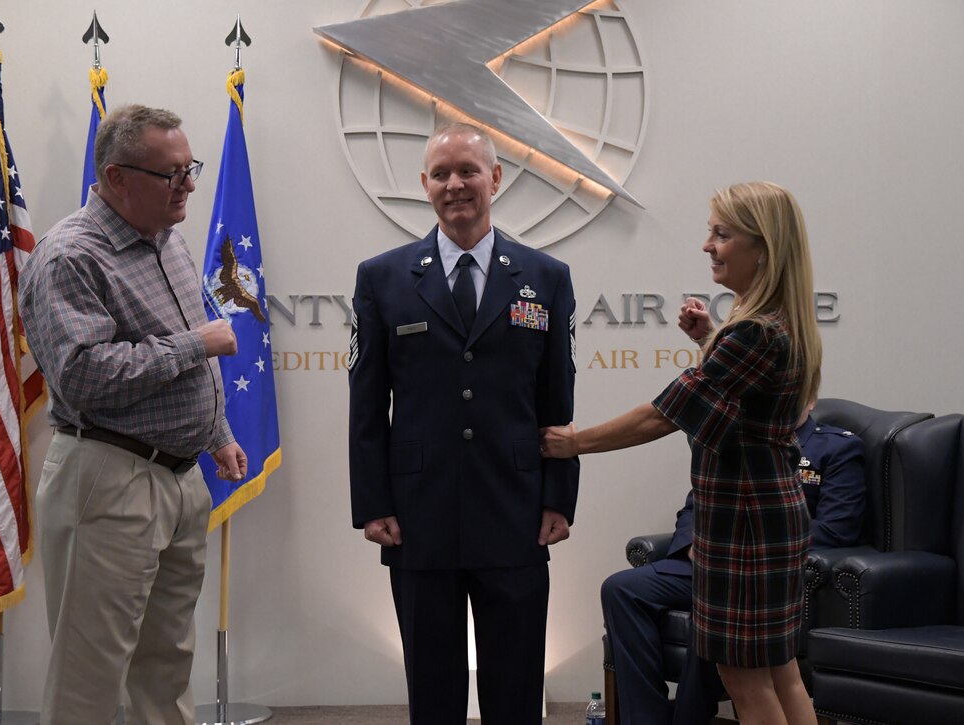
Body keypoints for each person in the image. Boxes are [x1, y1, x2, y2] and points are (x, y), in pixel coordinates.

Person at [542, 181, 822, 724]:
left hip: (742, 528)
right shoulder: (779, 328)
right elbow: (748, 404)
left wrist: (572, 444)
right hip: (772, 521)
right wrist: (710, 338)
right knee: (781, 671)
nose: (707, 245)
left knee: (745, 681)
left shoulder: (754, 336)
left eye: (721, 234)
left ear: (762, 246)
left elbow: (661, 416)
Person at [19, 104, 248, 725]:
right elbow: (82, 376)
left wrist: (217, 432)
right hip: (109, 479)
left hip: (179, 478)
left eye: (190, 168)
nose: (190, 186)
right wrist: (193, 345)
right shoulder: (70, 258)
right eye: (172, 174)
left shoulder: (165, 239)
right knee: (89, 675)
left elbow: (181, 348)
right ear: (117, 177)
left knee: (167, 662)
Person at [348, 123, 579, 725]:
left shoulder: (546, 278)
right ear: (424, 186)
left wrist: (560, 495)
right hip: (418, 514)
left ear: (495, 179)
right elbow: (367, 404)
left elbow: (558, 402)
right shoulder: (382, 277)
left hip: (517, 510)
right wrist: (373, 503)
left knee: (517, 680)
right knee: (432, 683)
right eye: (441, 174)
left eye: (468, 171)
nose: (455, 185)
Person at [602, 398, 865, 724]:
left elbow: (835, 529)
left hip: (765, 572)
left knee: (715, 607)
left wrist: (741, 547)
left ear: (809, 399)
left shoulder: (836, 447)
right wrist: (692, 545)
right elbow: (695, 505)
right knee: (621, 589)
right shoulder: (735, 436)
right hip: (703, 564)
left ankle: (689, 718)